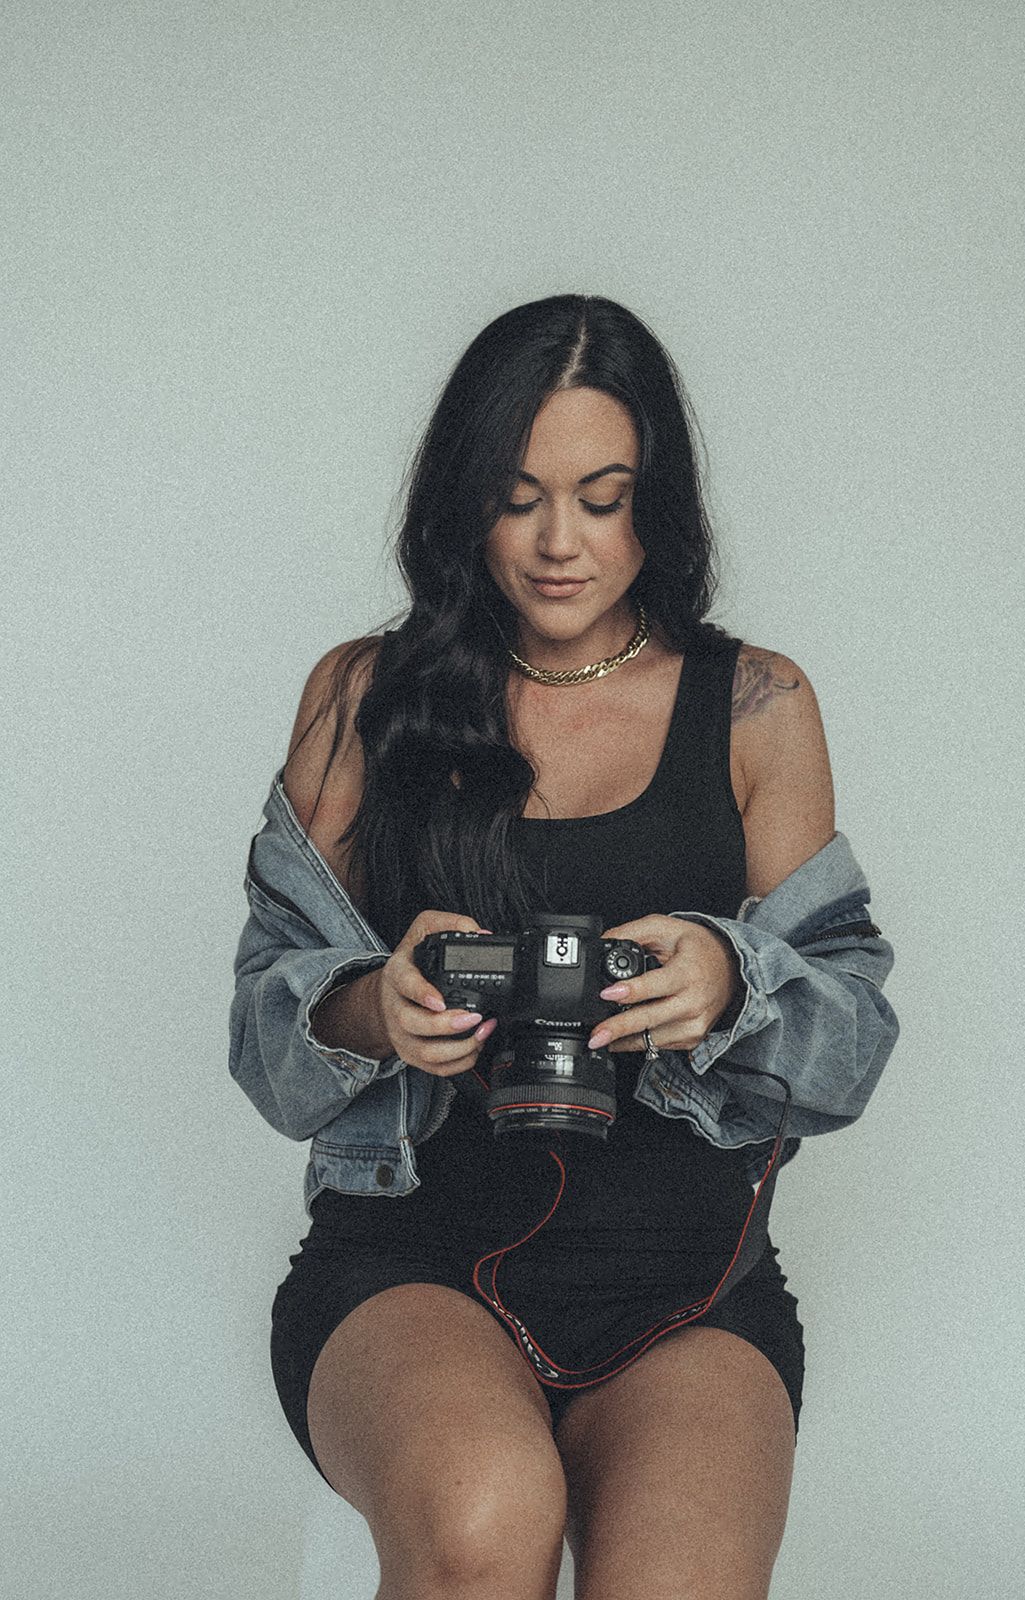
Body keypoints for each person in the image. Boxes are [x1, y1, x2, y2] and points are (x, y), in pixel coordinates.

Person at [231, 293, 899, 1600]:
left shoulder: (754, 706)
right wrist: (374, 1006)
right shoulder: (365, 699)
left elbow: (852, 1049)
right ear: (458, 499)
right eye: (515, 494)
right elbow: (266, 1037)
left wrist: (728, 983)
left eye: (601, 497)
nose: (555, 544)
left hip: (690, 1284)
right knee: (486, 1524)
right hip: (409, 1264)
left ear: (660, 500)